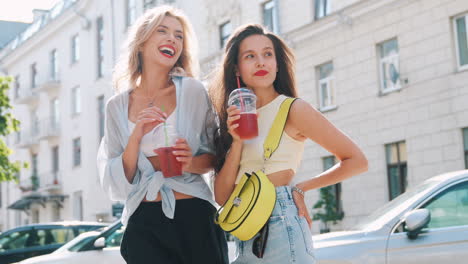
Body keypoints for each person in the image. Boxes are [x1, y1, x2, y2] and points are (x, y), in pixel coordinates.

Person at [209, 24, 368, 263]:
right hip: (246, 232)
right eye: (250, 56)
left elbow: (357, 161)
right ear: (237, 69)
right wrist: (237, 142)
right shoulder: (233, 118)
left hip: (282, 226)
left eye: (267, 54)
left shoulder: (293, 109)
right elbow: (222, 197)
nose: (261, 62)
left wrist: (301, 188)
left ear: (277, 63)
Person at [97, 6, 228, 264]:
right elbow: (116, 174)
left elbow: (217, 155)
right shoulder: (116, 106)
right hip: (143, 220)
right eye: (163, 31)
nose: (173, 40)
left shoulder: (193, 91)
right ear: (142, 41)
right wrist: (136, 136)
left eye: (179, 36)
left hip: (194, 215)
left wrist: (190, 162)